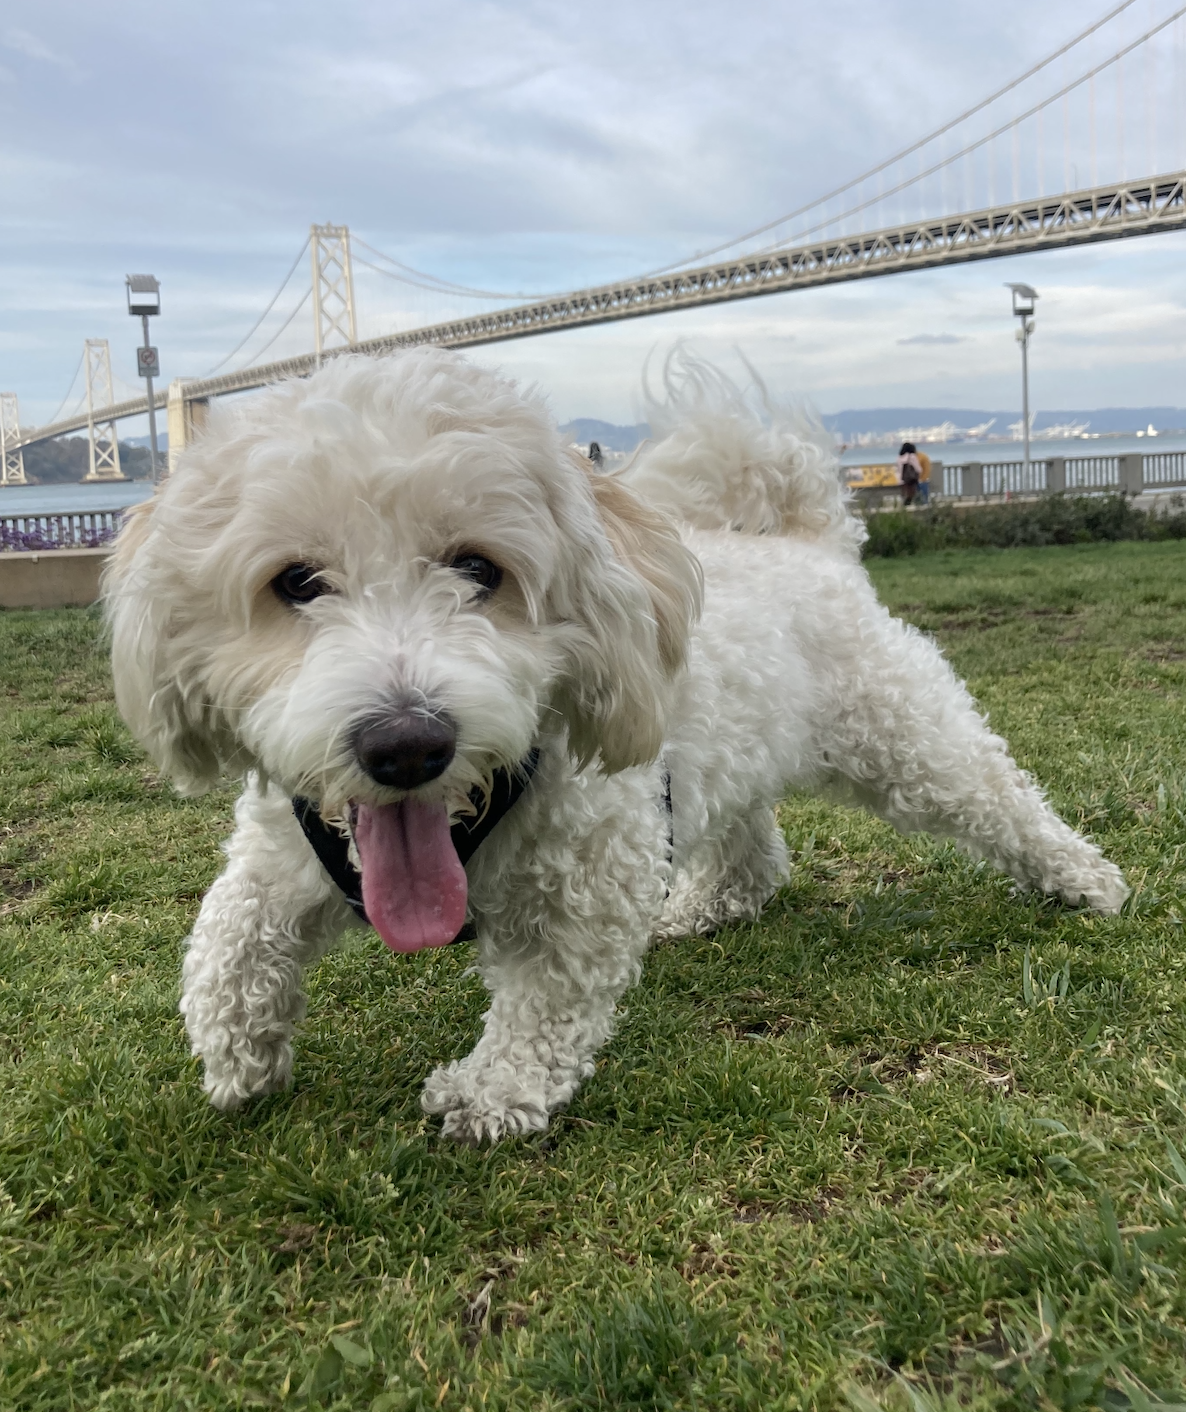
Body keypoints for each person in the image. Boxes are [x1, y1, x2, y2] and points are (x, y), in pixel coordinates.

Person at [897, 441, 922, 506]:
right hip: (910, 479)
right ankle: (912, 505)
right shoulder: (912, 456)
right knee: (912, 493)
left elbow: (899, 469)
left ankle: (904, 507)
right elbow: (918, 468)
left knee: (905, 494)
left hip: (902, 479)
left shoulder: (899, 457)